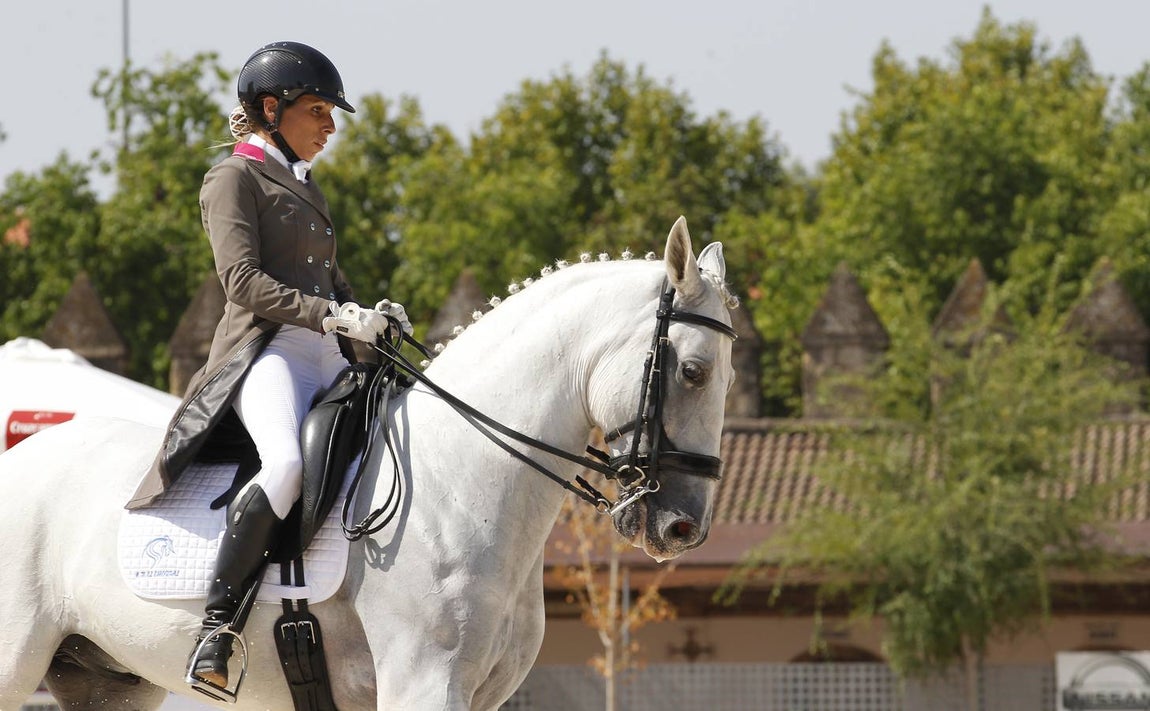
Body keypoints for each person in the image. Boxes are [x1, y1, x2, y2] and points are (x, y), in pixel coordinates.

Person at [125, 41, 411, 690]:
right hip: (270, 352)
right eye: (318, 111)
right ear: (271, 108)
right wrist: (332, 316)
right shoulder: (234, 177)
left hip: (325, 352)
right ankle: (217, 629)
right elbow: (242, 283)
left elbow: (332, 282)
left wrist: (368, 316)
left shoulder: (308, 184)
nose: (330, 126)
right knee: (283, 464)